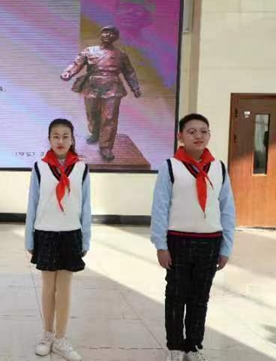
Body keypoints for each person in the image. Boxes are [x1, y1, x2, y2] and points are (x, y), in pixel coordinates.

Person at [151, 113, 236, 361]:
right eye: (191, 131)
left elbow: (227, 209)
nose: (198, 136)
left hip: (211, 241)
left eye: (203, 131)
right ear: (181, 136)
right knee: (176, 296)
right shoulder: (170, 167)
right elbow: (160, 208)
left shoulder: (219, 168)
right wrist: (161, 245)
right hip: (178, 241)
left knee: (200, 297)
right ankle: (175, 346)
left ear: (209, 135)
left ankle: (193, 346)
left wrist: (226, 247)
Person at [25, 118, 92, 361]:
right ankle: (47, 335)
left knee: (64, 289)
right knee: (48, 287)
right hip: (45, 232)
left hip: (71, 233)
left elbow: (86, 205)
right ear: (49, 139)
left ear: (72, 139)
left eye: (65, 136)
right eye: (56, 136)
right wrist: (29, 239)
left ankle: (61, 338)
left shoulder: (82, 168)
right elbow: (32, 203)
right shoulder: (39, 167)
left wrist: (85, 239)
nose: (60, 140)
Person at [61, 25, 142, 161]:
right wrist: (68, 73)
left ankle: (106, 146)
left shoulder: (121, 54)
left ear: (116, 37)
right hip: (92, 85)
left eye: (112, 33)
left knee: (109, 117)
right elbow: (76, 64)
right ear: (101, 34)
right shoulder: (89, 51)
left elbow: (129, 72)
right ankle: (95, 133)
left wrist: (135, 88)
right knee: (92, 113)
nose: (108, 35)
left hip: (113, 86)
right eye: (105, 32)